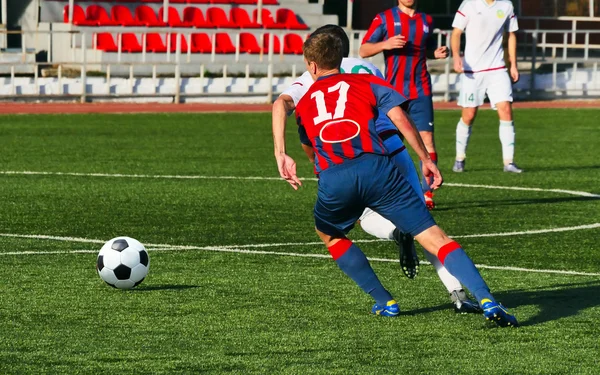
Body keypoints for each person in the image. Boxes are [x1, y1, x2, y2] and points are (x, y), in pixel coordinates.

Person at [273, 31, 518, 327]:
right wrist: (426, 158)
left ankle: (385, 301)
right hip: (381, 166)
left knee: (330, 234)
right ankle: (484, 298)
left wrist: (292, 158)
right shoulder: (367, 79)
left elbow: (307, 142)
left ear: (311, 66)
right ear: (341, 57)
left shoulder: (305, 98)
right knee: (434, 237)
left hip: (335, 177)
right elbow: (399, 116)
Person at [359, 0, 448, 210]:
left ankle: (426, 193)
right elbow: (363, 50)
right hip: (393, 93)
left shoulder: (426, 20)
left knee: (427, 140)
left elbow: (425, 49)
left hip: (421, 90)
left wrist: (434, 53)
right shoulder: (384, 18)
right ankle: (386, 191)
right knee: (390, 142)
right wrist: (384, 44)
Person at [450, 0, 522, 173]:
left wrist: (513, 64)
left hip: (497, 69)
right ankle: (460, 158)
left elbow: (511, 34)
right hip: (472, 71)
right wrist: (456, 57)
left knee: (505, 109)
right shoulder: (469, 4)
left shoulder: (506, 6)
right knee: (469, 114)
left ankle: (509, 162)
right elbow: (456, 32)